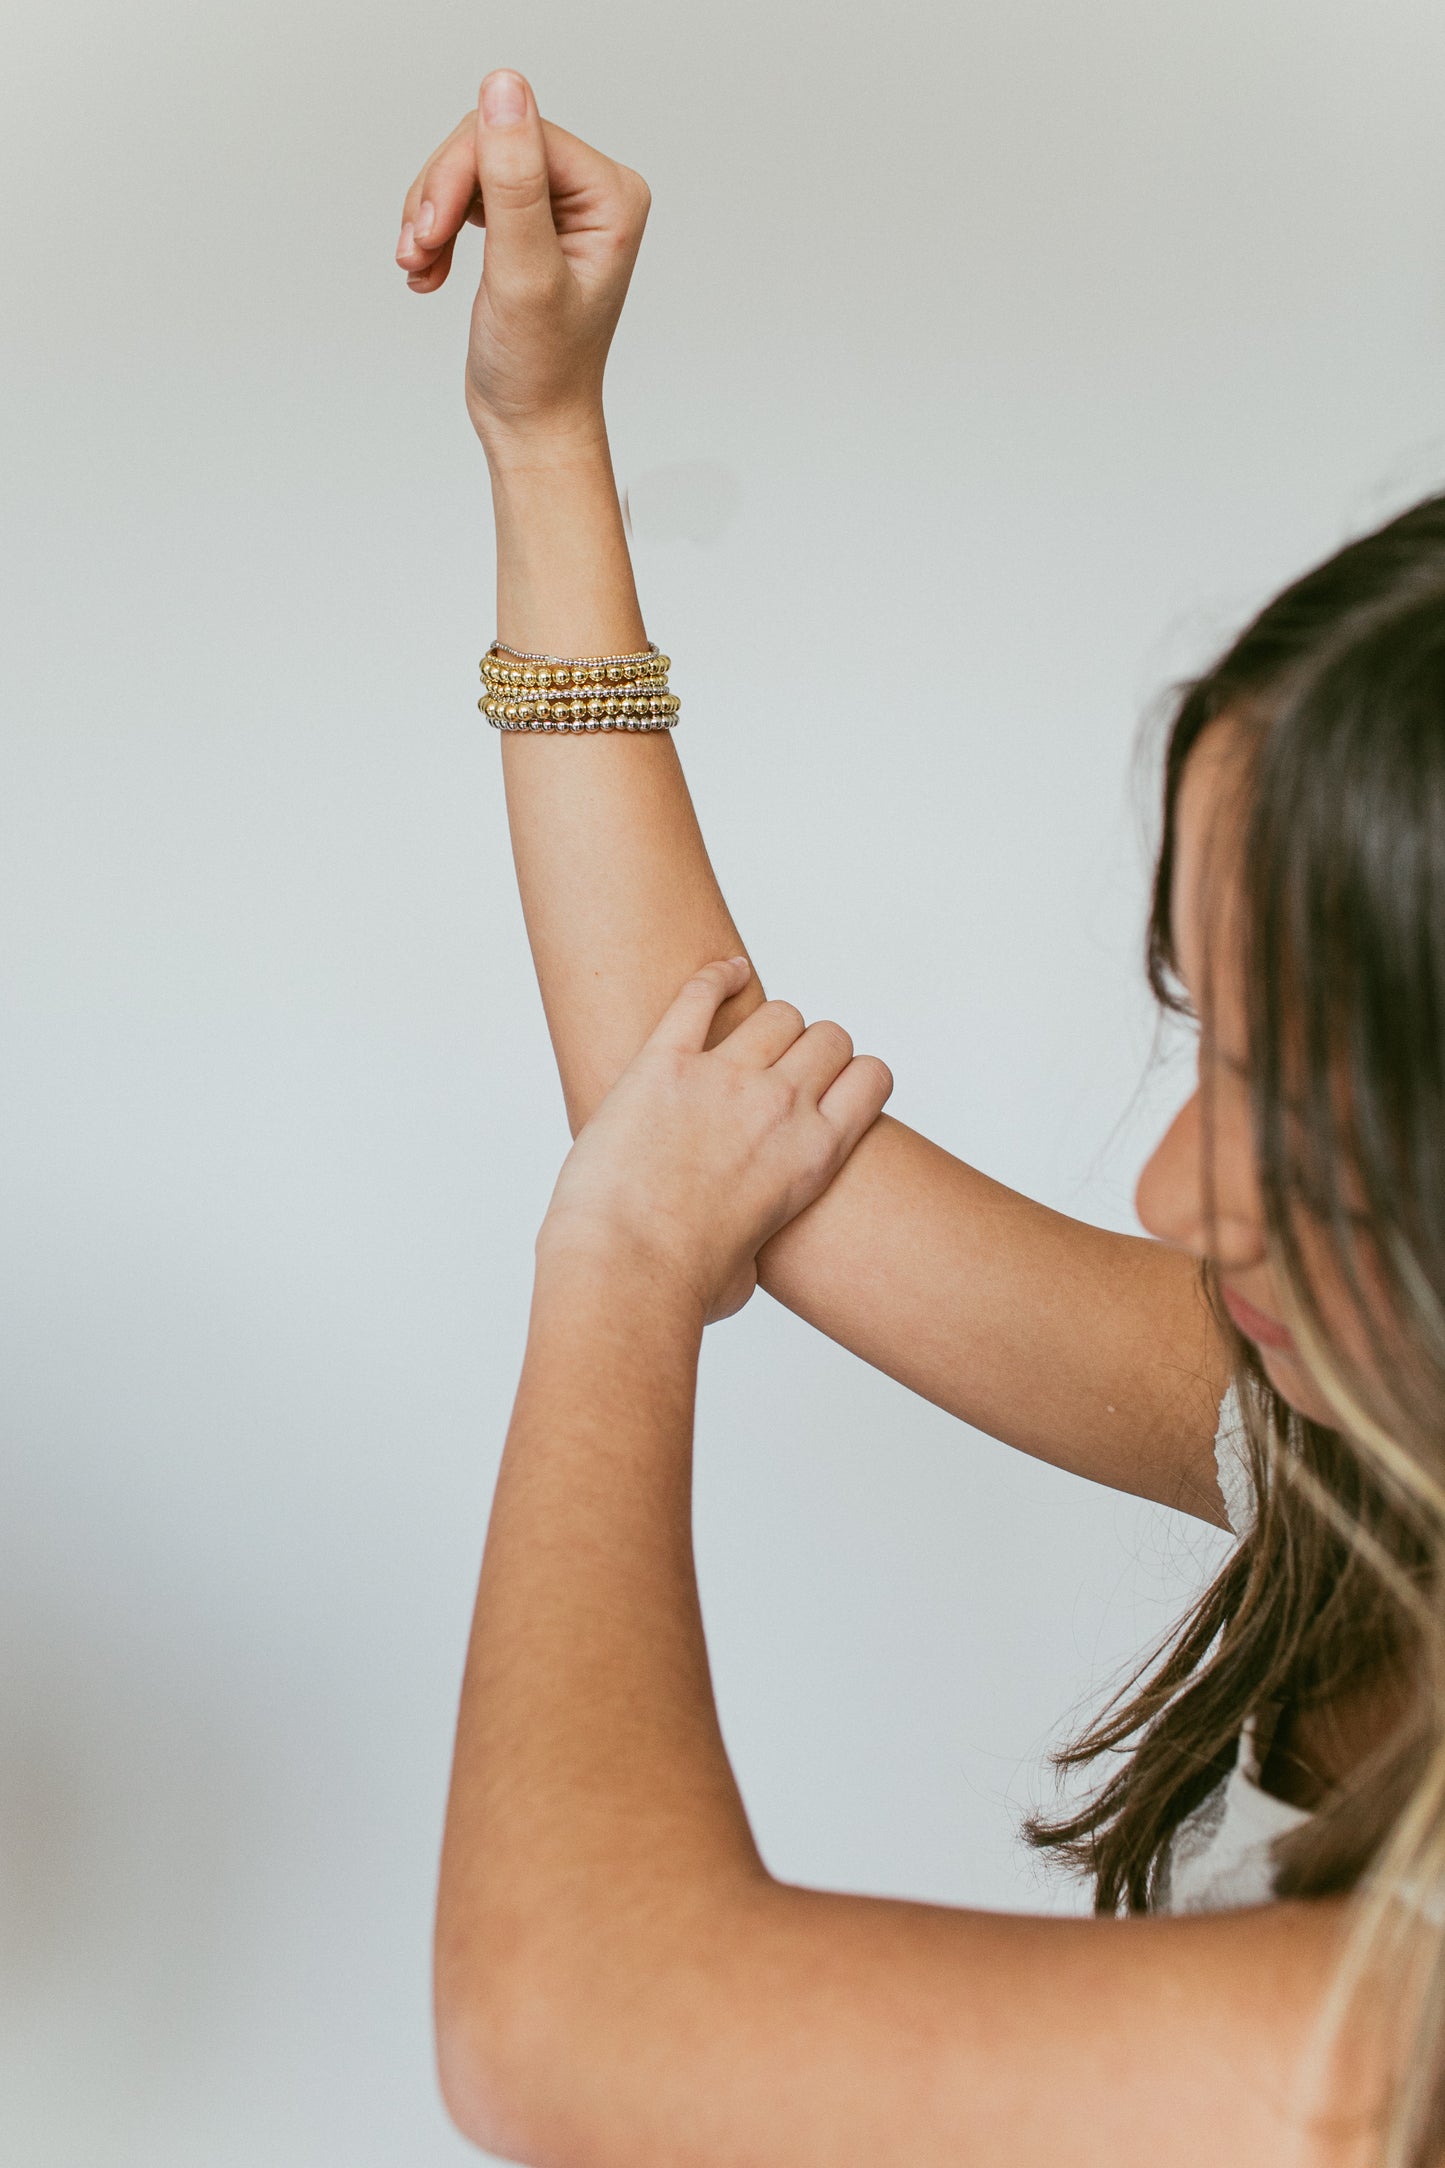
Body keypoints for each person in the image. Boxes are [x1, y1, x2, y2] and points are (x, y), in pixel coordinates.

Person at [395, 67, 1445, 2167]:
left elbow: (570, 2021)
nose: (1172, 1190)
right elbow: (697, 1105)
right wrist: (543, 439)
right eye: (1202, 1050)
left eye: (1307, 1119)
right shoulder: (1373, 1442)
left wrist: (607, 1279)